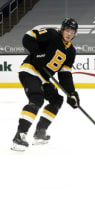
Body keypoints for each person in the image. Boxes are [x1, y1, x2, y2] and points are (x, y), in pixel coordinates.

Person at [11, 18, 80, 151]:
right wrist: (37, 52)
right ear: (62, 30)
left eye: (72, 32)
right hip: (29, 70)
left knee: (57, 100)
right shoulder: (51, 34)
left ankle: (40, 132)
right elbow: (28, 37)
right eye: (67, 30)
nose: (69, 34)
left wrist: (71, 93)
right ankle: (20, 135)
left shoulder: (71, 51)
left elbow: (65, 74)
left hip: (44, 78)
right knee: (37, 98)